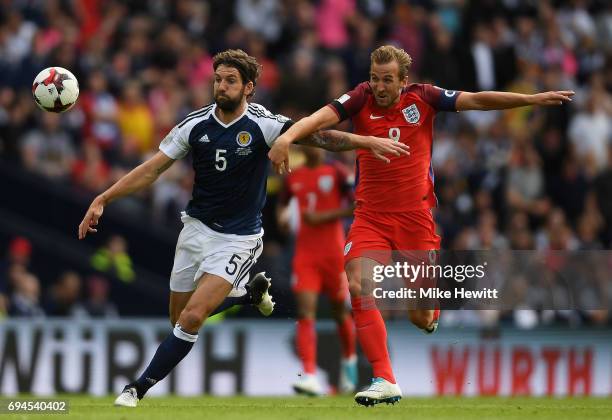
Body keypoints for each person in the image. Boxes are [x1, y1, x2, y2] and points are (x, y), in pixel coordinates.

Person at [77, 49, 408, 408]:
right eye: (218, 79)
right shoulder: (195, 124)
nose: (221, 86)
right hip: (195, 229)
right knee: (178, 318)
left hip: (239, 238)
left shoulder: (263, 123)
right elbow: (153, 168)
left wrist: (365, 141)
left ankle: (136, 388)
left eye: (230, 80)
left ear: (248, 87)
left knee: (191, 318)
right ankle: (249, 296)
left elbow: (322, 138)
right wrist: (103, 198)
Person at [268, 45, 574, 406]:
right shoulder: (359, 98)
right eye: (374, 78)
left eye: (387, 80)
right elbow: (318, 118)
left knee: (421, 315)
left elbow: (476, 100)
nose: (379, 87)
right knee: (357, 284)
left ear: (403, 81)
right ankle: (384, 376)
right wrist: (287, 137)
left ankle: (430, 314)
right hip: (370, 217)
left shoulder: (424, 98)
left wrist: (531, 99)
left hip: (416, 220)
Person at [278, 145, 356, 395]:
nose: (306, 147)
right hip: (306, 255)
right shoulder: (294, 177)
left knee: (339, 312)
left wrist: (322, 217)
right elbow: (282, 204)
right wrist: (282, 217)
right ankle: (309, 374)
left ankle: (349, 361)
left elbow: (357, 206)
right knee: (305, 311)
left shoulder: (337, 172)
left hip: (333, 253)